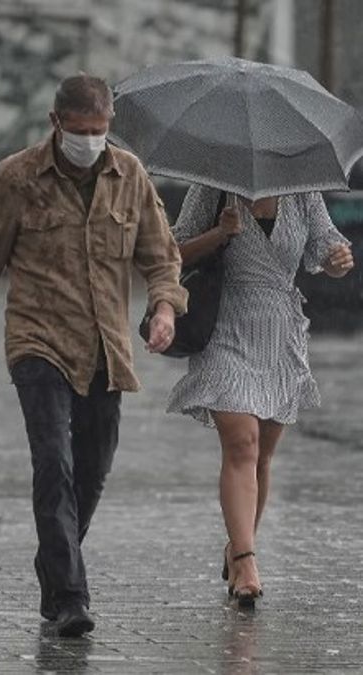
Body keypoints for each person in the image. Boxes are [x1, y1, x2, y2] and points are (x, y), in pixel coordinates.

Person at [0, 74, 187, 636]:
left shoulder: (129, 175)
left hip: (106, 347)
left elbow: (161, 257)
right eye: (79, 130)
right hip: (38, 341)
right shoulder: (16, 178)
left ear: (110, 125)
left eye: (99, 130)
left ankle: (55, 560)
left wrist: (164, 309)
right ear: (55, 123)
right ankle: (69, 597)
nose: (89, 141)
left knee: (93, 470)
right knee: (52, 460)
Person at [165, 185, 354, 607]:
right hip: (224, 327)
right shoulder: (213, 187)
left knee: (262, 455)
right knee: (242, 444)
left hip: (279, 334)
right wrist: (219, 234)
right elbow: (171, 253)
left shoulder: (301, 191)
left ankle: (238, 546)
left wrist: (337, 260)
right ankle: (247, 560)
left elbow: (327, 247)